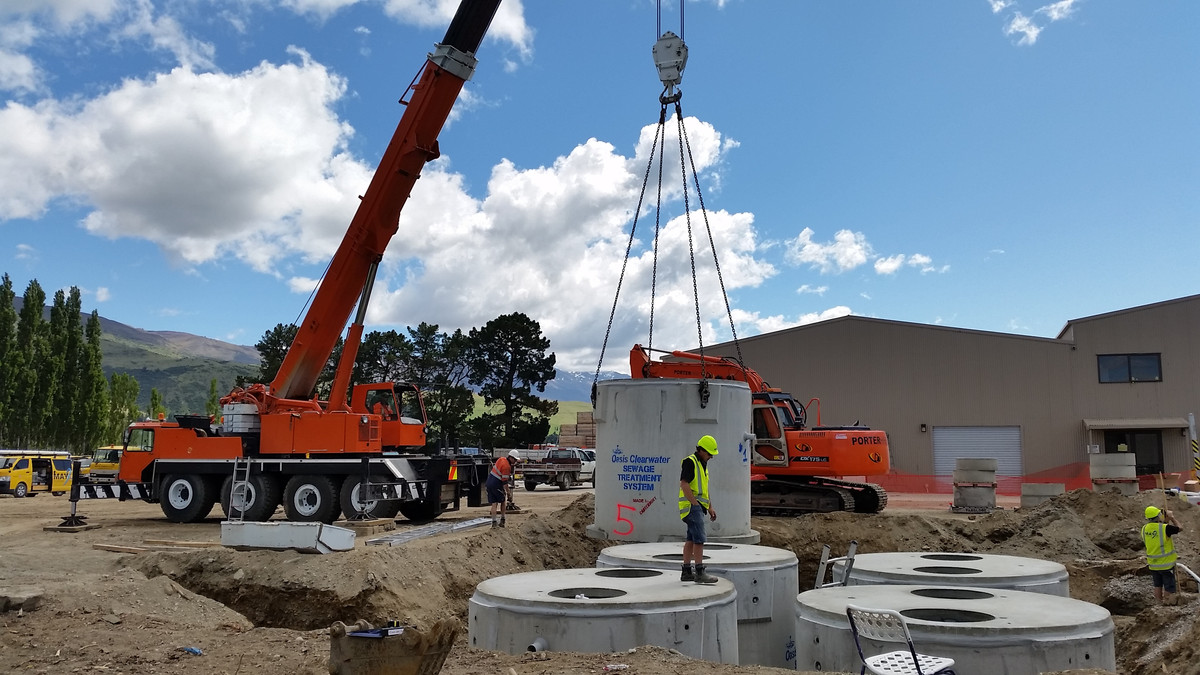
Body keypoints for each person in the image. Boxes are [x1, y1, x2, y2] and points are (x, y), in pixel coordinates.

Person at [679, 435, 719, 584]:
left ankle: (686, 571)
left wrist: (710, 507)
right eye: (709, 454)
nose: (711, 457)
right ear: (701, 450)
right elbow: (684, 484)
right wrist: (695, 504)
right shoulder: (691, 462)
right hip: (691, 507)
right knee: (699, 539)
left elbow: (704, 489)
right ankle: (700, 572)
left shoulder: (702, 464)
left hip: (697, 507)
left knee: (691, 538)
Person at [1142, 505, 1183, 605]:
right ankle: (1168, 605)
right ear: (1157, 516)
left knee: (1158, 585)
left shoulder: (1144, 529)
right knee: (1169, 586)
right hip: (1166, 564)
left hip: (1153, 564)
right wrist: (1172, 517)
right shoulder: (1164, 528)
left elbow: (1158, 532)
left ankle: (1158, 605)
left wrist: (1165, 521)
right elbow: (1180, 528)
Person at [487, 449, 521, 528]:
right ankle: (502, 520)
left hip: (489, 483)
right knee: (503, 500)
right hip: (496, 484)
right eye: (515, 460)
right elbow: (505, 483)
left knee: (494, 503)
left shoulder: (501, 459)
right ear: (511, 458)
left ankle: (494, 522)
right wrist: (509, 494)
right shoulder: (507, 467)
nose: (515, 462)